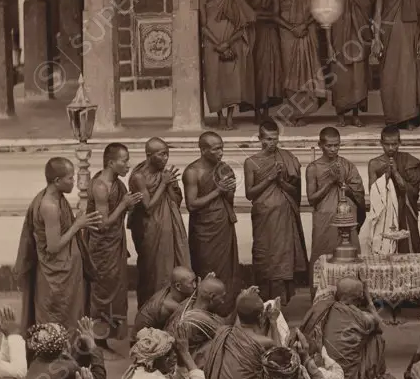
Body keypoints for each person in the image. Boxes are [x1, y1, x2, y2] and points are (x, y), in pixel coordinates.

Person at [16, 157, 100, 334]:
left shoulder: (58, 197)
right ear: (57, 181)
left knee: (71, 316)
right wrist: (78, 225)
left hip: (67, 270)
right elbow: (53, 247)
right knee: (58, 319)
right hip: (56, 275)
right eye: (70, 178)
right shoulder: (50, 206)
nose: (74, 182)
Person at [244, 121, 309, 304]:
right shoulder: (251, 162)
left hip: (284, 216)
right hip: (264, 218)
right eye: (268, 139)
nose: (272, 143)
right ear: (260, 139)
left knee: (282, 258)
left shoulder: (287, 158)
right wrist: (270, 178)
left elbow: (295, 192)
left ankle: (281, 305)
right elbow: (250, 194)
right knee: (264, 257)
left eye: (276, 139)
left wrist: (280, 181)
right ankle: (263, 301)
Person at [300, 277, 386, 379]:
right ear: (359, 297)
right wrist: (369, 302)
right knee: (377, 339)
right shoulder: (362, 318)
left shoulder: (319, 308)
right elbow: (381, 325)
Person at [88, 144, 142, 348]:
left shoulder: (119, 185)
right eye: (124, 160)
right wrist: (124, 205)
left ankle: (104, 338)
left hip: (115, 245)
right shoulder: (100, 186)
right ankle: (97, 340)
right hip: (101, 248)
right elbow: (102, 224)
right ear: (111, 162)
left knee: (116, 291)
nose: (128, 165)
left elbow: (121, 214)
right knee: (102, 292)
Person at [202, 289, 277, 379]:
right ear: (261, 315)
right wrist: (272, 322)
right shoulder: (266, 342)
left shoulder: (223, 333)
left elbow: (242, 326)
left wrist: (242, 298)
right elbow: (281, 362)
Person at [129, 138, 190, 308]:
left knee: (172, 266)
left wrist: (169, 184)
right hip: (149, 229)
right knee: (152, 270)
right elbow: (148, 207)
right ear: (149, 155)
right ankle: (150, 310)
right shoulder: (139, 176)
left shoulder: (166, 173)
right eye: (162, 154)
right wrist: (164, 183)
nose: (166, 158)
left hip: (170, 225)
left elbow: (176, 201)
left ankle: (170, 309)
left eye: (167, 154)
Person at [373, 0, 420, 127]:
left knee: (409, 77)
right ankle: (392, 118)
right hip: (389, 36)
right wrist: (376, 38)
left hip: (409, 34)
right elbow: (377, 14)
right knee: (389, 77)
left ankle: (409, 117)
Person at [183, 132, 239, 301]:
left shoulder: (224, 168)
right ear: (203, 150)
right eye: (215, 149)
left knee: (226, 269)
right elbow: (191, 204)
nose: (220, 153)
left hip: (222, 224)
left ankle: (226, 307)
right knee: (206, 267)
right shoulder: (193, 172)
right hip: (203, 229)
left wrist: (230, 189)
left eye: (222, 148)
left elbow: (229, 199)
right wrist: (218, 191)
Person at [200, 0, 256, 129]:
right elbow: (203, 26)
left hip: (232, 44)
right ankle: (220, 117)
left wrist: (227, 44)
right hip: (212, 46)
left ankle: (230, 117)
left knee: (232, 81)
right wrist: (218, 44)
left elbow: (243, 26)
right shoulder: (204, 0)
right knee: (214, 81)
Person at [8, 318, 106, 379]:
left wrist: (83, 347)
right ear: (64, 345)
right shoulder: (67, 367)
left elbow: (69, 365)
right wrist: (93, 346)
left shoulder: (36, 360)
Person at [306, 127, 366, 269]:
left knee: (350, 259)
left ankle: (351, 289)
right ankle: (320, 290)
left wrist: (342, 183)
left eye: (336, 145)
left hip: (346, 218)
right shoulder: (313, 168)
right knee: (322, 256)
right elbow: (311, 199)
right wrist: (330, 182)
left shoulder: (347, 165)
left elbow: (358, 193)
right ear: (320, 145)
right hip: (324, 220)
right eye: (329, 146)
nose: (333, 149)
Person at [275, 0, 323, 125]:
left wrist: (303, 25)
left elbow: (317, 10)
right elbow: (275, 14)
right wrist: (292, 28)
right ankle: (292, 113)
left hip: (306, 31)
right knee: (290, 74)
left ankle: (303, 114)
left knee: (306, 74)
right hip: (287, 35)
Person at [363, 125, 420, 255]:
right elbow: (374, 193)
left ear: (400, 142)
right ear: (381, 143)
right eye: (387, 144)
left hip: (405, 213)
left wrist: (395, 172)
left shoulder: (411, 162)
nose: (391, 148)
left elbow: (412, 192)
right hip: (384, 214)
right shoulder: (374, 164)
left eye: (394, 144)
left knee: (407, 249)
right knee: (384, 249)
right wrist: (386, 176)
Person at [329, 0, 374, 127]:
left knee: (358, 78)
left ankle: (356, 115)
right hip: (338, 38)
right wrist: (329, 45)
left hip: (357, 39)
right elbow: (326, 20)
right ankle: (340, 115)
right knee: (340, 79)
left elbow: (370, 6)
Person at [241, 0, 284, 120]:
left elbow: (275, 13)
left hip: (270, 33)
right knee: (256, 71)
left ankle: (266, 109)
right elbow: (247, 15)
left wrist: (258, 14)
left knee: (270, 71)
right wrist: (258, 15)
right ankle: (256, 110)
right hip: (253, 34)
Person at [164, 274, 230, 367]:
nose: (223, 301)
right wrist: (242, 304)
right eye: (222, 297)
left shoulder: (188, 303)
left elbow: (197, 295)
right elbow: (229, 338)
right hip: (185, 369)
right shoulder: (202, 319)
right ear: (212, 297)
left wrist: (203, 285)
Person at [132, 266, 197, 337]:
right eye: (191, 283)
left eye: (195, 281)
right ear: (178, 286)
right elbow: (195, 315)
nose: (195, 286)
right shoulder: (168, 305)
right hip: (141, 342)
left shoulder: (172, 289)